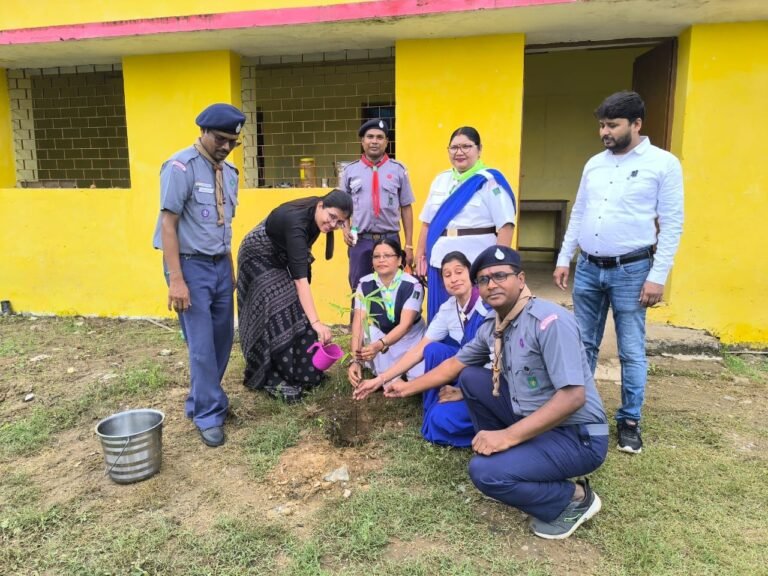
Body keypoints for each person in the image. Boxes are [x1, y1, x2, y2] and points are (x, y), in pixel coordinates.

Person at [386, 245, 609, 540]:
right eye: (484, 279)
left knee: (484, 473)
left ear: (521, 279)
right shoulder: (495, 325)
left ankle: (575, 498)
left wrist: (506, 436)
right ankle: (509, 461)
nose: (491, 285)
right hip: (533, 419)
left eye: (500, 276)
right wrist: (405, 387)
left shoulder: (549, 322)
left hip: (578, 436)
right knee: (472, 378)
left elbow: (572, 397)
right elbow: (454, 364)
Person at [553, 91, 684, 455]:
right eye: (601, 125)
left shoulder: (663, 164)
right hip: (589, 268)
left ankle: (629, 421)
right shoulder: (594, 164)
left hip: (633, 270)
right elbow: (579, 213)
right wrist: (565, 257)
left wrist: (658, 275)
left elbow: (672, 224)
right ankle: (582, 411)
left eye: (612, 125)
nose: (604, 132)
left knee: (630, 350)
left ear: (636, 124)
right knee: (583, 345)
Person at [152, 102, 245, 447]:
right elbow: (168, 225)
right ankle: (208, 413)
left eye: (231, 143)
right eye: (220, 139)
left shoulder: (230, 173)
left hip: (220, 266)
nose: (225, 147)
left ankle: (204, 400)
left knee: (222, 340)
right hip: (190, 267)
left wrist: (230, 270)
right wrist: (176, 279)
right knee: (202, 345)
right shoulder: (180, 167)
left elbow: (226, 226)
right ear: (203, 132)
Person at [353, 251, 489, 448]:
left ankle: (492, 426)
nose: (454, 279)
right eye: (447, 275)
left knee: (441, 421)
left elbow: (494, 363)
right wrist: (380, 379)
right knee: (433, 350)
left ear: (471, 274)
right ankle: (433, 408)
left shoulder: (487, 307)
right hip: (465, 368)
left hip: (487, 379)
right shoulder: (449, 308)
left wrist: (462, 391)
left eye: (459, 272)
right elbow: (419, 350)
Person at [237, 190, 352, 404]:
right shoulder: (296, 221)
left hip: (279, 254)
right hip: (257, 255)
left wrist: (310, 313)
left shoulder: (315, 217)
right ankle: (271, 374)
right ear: (320, 206)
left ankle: (303, 370)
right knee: (278, 302)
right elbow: (300, 281)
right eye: (332, 217)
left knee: (295, 303)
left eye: (340, 222)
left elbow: (301, 270)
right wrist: (317, 323)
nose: (333, 224)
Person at [414, 126, 517, 321]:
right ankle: (442, 351)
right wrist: (421, 254)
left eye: (466, 146)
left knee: (475, 318)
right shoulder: (440, 180)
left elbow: (506, 226)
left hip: (475, 265)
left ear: (479, 149)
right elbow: (427, 222)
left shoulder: (490, 181)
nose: (459, 152)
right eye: (454, 147)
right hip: (440, 263)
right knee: (441, 317)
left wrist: (497, 264)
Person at [339, 119, 416, 292]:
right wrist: (345, 230)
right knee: (359, 290)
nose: (375, 141)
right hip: (360, 241)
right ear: (362, 141)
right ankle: (358, 320)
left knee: (391, 290)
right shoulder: (350, 171)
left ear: (387, 142)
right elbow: (342, 207)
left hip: (389, 239)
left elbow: (406, 207)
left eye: (380, 137)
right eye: (370, 137)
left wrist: (408, 245)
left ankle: (392, 321)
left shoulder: (398, 170)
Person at [347, 238, 425, 388]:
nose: (381, 260)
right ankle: (390, 375)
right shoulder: (364, 284)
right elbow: (359, 322)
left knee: (418, 375)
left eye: (387, 256)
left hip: (410, 338)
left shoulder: (412, 285)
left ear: (399, 260)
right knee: (388, 377)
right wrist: (355, 360)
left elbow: (405, 325)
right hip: (381, 335)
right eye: (376, 256)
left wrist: (379, 345)